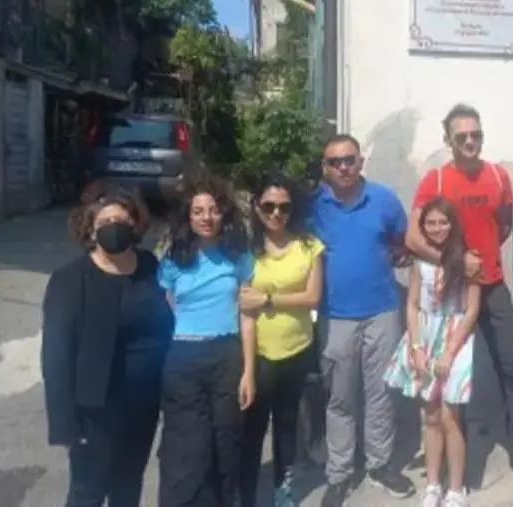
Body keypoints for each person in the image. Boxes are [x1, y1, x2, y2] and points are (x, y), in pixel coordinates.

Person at [406, 104, 513, 501]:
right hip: (448, 296)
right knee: (443, 378)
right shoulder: (435, 179)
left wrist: (480, 263)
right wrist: (457, 262)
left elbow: (502, 226)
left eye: (476, 135)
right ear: (448, 141)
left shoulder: (497, 175)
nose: (470, 142)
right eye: (462, 137)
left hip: (491, 288)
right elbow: (413, 237)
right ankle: (446, 467)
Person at [41, 183, 173, 507]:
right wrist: (65, 426)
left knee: (128, 488)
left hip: (143, 407)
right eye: (104, 223)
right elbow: (56, 357)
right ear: (91, 230)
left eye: (122, 221)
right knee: (88, 492)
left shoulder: (149, 268)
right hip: (94, 412)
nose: (114, 228)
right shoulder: (70, 279)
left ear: (135, 225)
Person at [310, 134, 416, 507]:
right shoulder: (314, 207)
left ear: (360, 162)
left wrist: (398, 256)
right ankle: (339, 475)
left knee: (381, 393)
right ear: (325, 168)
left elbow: (404, 241)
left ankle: (379, 465)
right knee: (339, 398)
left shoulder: (384, 199)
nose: (343, 167)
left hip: (382, 312)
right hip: (335, 316)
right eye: (335, 161)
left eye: (350, 160)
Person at [157, 174, 257, 507]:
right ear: (189, 216)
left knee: (226, 440)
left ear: (223, 214)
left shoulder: (237, 256)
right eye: (198, 211)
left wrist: (249, 372)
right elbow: (167, 306)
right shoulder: (174, 259)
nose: (206, 218)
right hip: (184, 356)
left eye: (212, 210)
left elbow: (247, 315)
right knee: (187, 445)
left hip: (226, 354)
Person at [386, 197, 480, 507]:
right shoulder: (420, 262)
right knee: (429, 416)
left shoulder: (467, 261)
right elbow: (412, 304)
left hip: (454, 340)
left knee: (450, 416)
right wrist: (416, 348)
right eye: (431, 223)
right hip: (424, 337)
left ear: (453, 224)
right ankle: (433, 485)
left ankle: (456, 488)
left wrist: (448, 353)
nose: (437, 228)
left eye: (443, 222)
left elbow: (471, 311)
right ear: (422, 227)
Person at [239, 171, 324, 507]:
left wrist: (268, 300)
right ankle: (245, 494)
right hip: (257, 355)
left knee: (287, 423)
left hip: (297, 350)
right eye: (269, 205)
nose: (276, 213)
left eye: (284, 207)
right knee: (252, 429)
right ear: (257, 207)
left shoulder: (308, 246)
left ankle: (282, 489)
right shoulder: (245, 251)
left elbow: (313, 297)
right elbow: (243, 305)